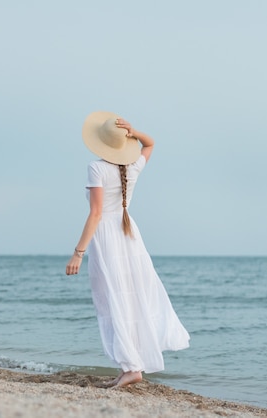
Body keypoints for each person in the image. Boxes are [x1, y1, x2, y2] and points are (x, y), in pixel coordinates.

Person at [66, 111, 190, 388]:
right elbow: (151, 144)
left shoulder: (96, 168)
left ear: (101, 143)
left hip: (109, 236)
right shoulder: (132, 166)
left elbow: (96, 213)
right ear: (123, 143)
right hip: (129, 235)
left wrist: (79, 252)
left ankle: (131, 367)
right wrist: (135, 132)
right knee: (129, 298)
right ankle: (130, 367)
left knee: (112, 299)